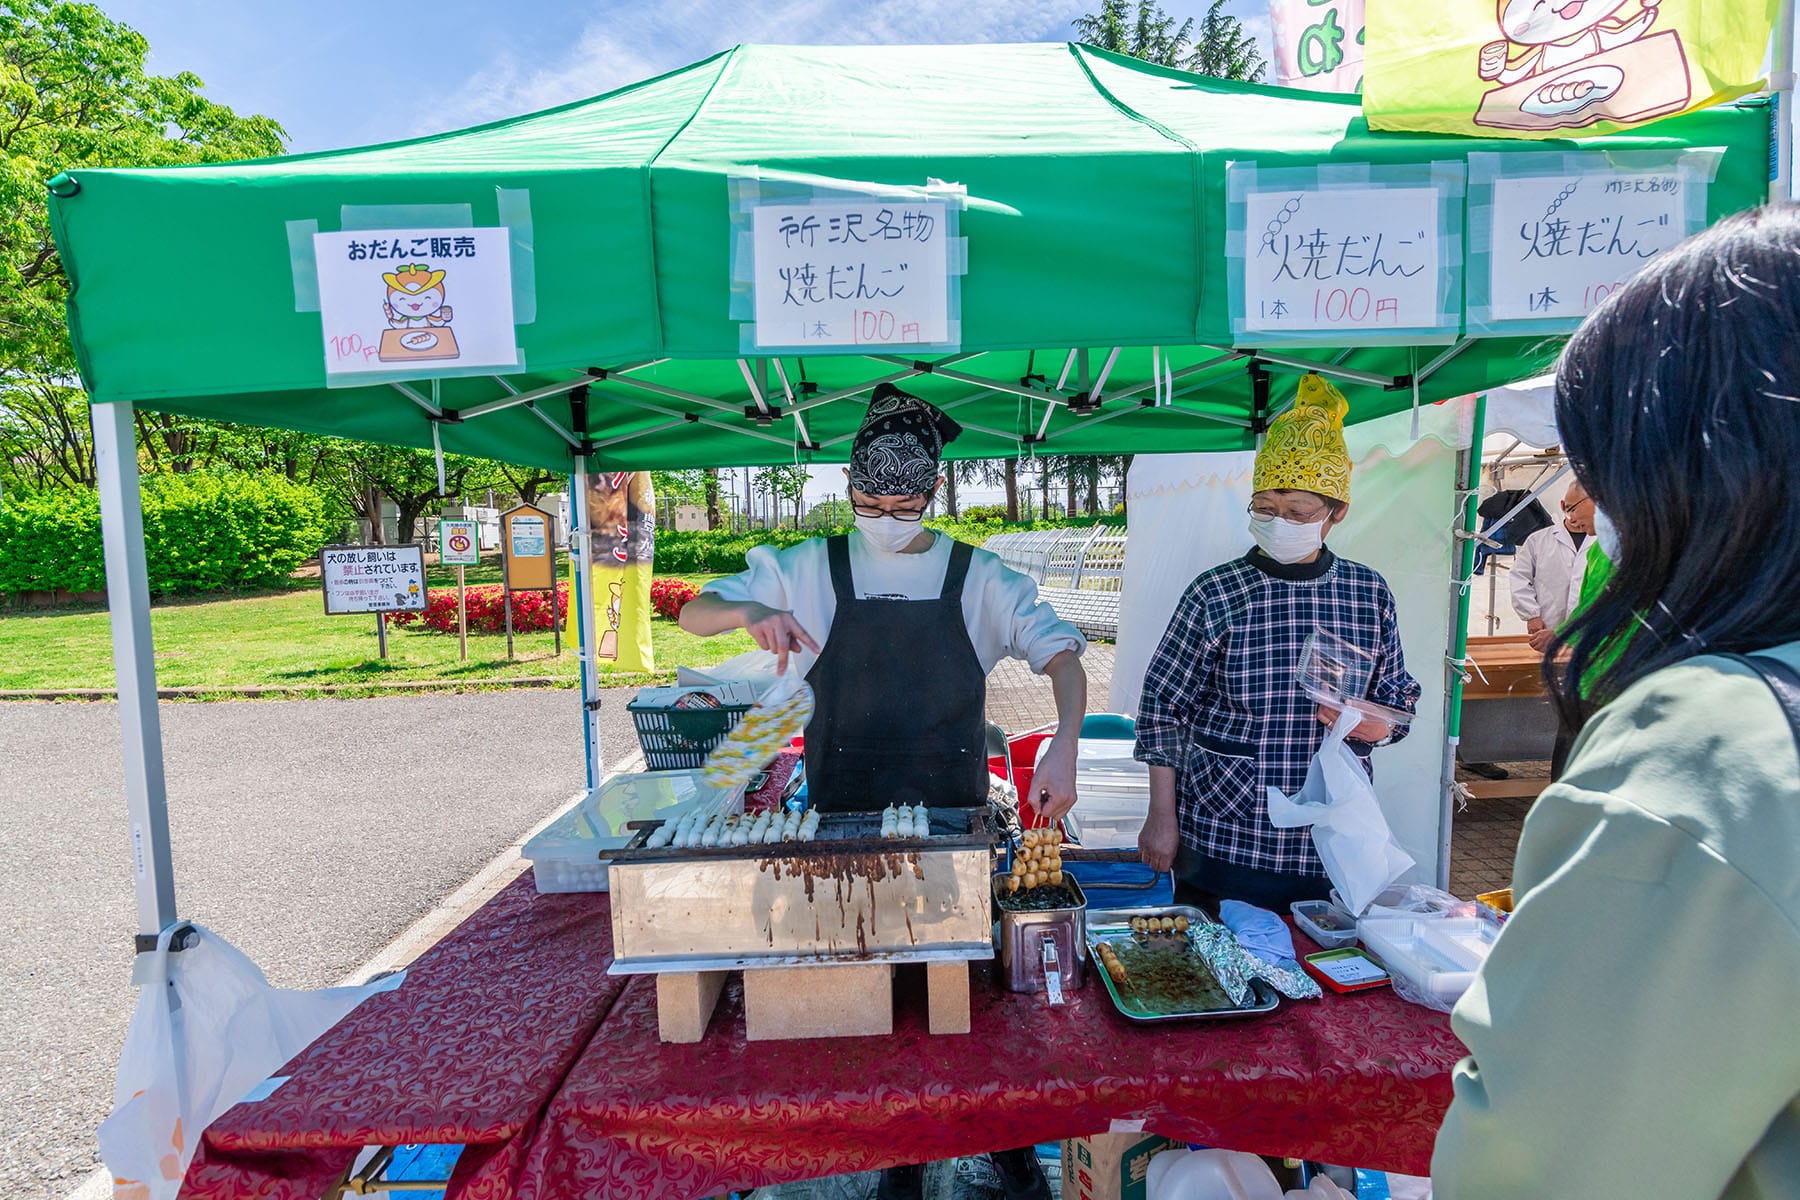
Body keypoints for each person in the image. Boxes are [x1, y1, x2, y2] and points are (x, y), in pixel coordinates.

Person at [1432, 206, 1800, 1199]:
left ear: (1697, 467)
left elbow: (1539, 1165)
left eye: (1602, 465)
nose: (1590, 500)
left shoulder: (1712, 750)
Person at [678, 382, 1087, 1200]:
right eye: (868, 499)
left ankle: (1004, 1144)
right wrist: (751, 609)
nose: (884, 515)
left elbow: (1064, 656)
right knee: (879, 1008)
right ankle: (897, 1157)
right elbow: (695, 614)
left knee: (966, 1001)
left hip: (956, 830)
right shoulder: (807, 569)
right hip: (843, 829)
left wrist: (1066, 745)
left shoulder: (979, 577)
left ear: (933, 493)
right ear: (848, 490)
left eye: (902, 501)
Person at [1133, 373, 1420, 911]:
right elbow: (1163, 710)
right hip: (1224, 830)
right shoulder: (1217, 591)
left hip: (1329, 838)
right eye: (1264, 508)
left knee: (1317, 979)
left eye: (1297, 513)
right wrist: (1161, 816)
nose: (1277, 522)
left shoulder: (1367, 592)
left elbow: (1400, 698)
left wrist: (1377, 724)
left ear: (1337, 513)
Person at [1510, 480, 1597, 654]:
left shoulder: (1604, 544)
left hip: (1590, 633)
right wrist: (1531, 615)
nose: (1572, 517)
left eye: (1575, 509)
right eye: (1568, 509)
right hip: (1546, 628)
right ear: (1562, 505)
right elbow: (1519, 578)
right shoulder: (1538, 540)